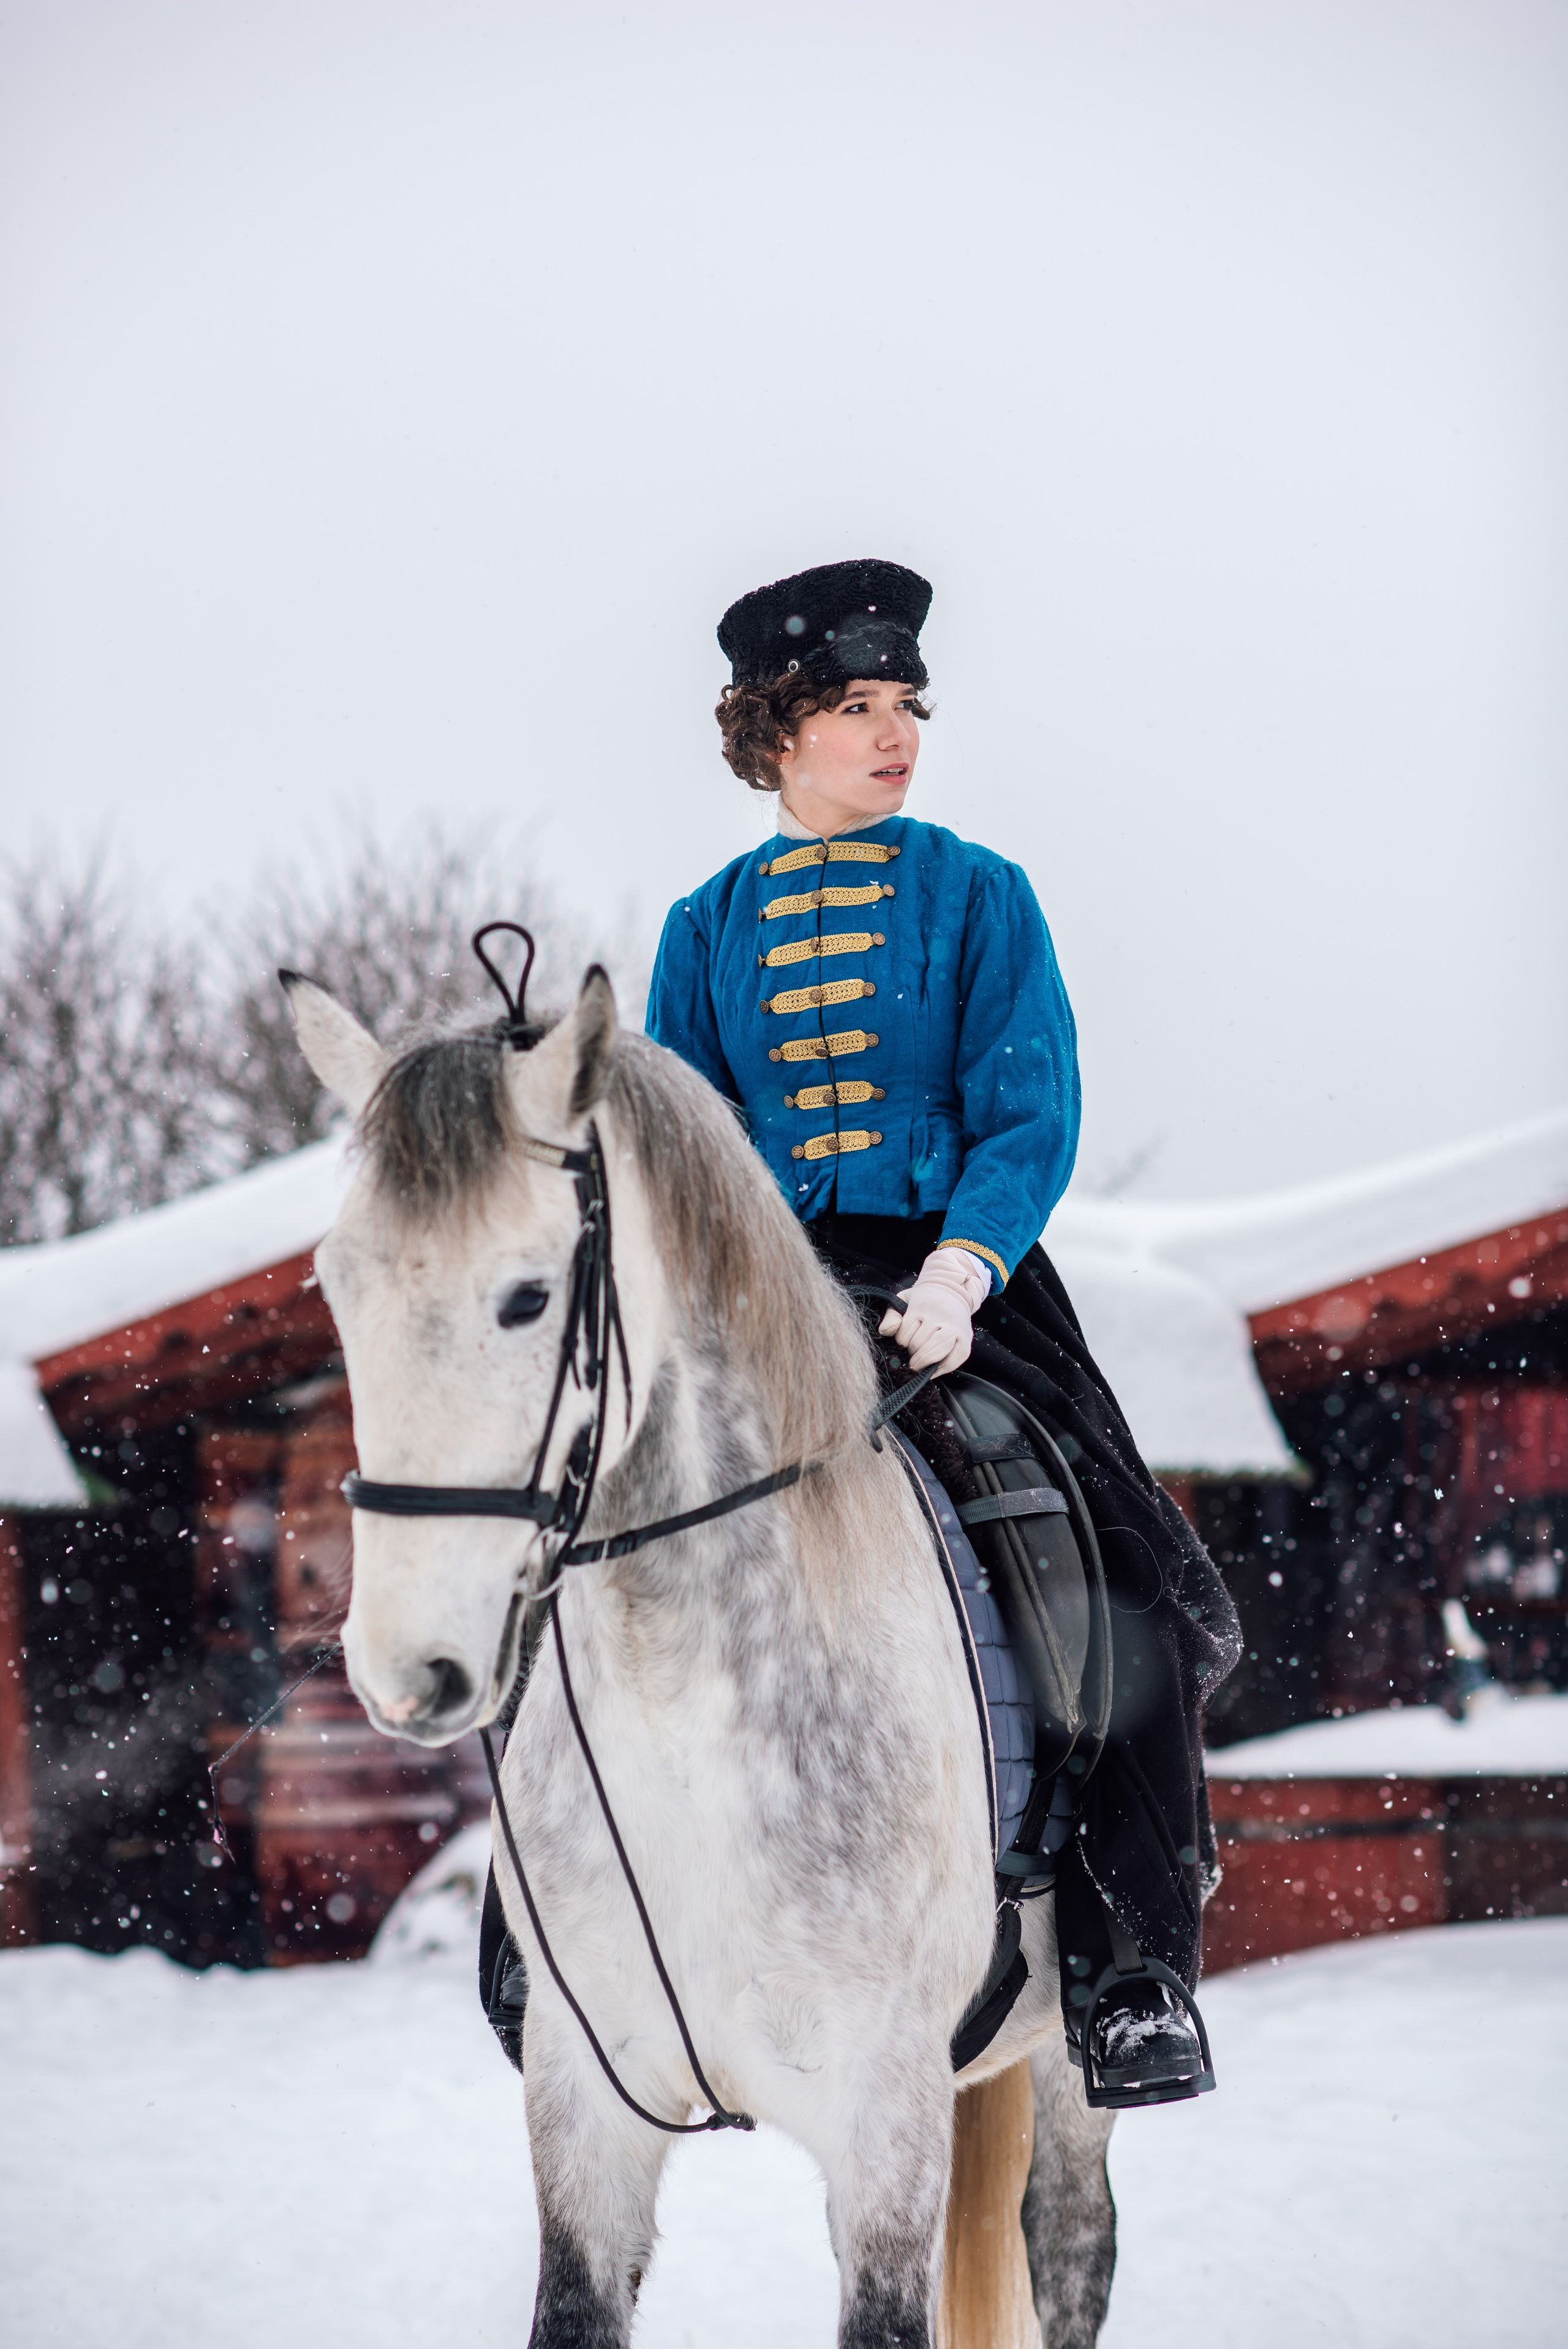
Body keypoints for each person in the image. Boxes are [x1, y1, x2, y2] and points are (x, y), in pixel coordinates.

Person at [646, 558, 1240, 2104]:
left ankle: (1127, 1970)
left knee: (1121, 1583)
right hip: (762, 1294)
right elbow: (686, 1139)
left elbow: (1028, 1105)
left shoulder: (980, 892)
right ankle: (551, 1930)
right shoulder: (700, 926)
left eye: (907, 704)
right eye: (856, 707)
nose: (896, 731)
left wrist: (965, 1269)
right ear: (775, 734)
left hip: (959, 1285)